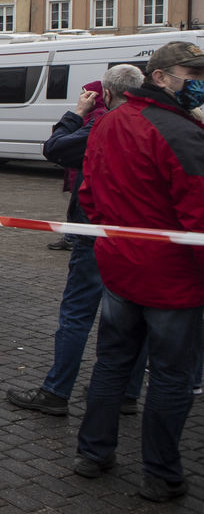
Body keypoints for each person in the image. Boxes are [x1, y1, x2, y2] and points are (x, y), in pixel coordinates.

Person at [73, 42, 204, 502]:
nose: (199, 83)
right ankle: (162, 473)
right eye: (193, 74)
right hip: (172, 278)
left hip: (121, 267)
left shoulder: (111, 123)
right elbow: (199, 212)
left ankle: (93, 451)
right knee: (170, 375)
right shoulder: (179, 132)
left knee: (113, 361)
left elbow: (87, 193)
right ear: (163, 77)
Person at [7, 66, 147, 417]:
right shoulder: (158, 125)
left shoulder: (107, 125)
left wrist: (77, 113)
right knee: (135, 317)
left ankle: (57, 390)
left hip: (97, 232)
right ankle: (127, 391)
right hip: (141, 237)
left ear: (109, 94)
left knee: (77, 314)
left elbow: (54, 148)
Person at [45, 79, 108, 251]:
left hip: (84, 175)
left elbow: (55, 147)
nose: (82, 97)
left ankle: (72, 237)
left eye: (86, 93)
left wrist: (78, 113)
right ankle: (71, 236)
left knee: (80, 209)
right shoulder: (97, 115)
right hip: (78, 172)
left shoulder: (97, 117)